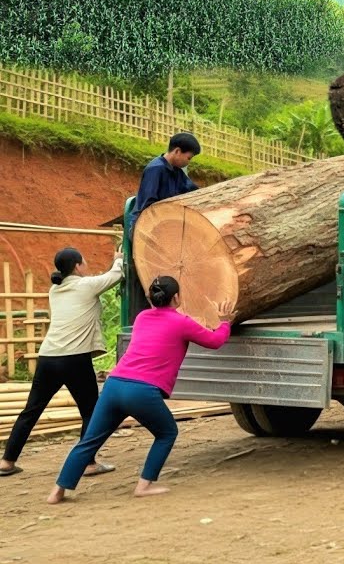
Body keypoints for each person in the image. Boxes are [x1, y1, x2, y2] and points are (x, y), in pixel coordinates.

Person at [47, 276, 231, 504]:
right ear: (176, 297)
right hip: (142, 391)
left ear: (150, 298)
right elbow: (214, 341)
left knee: (90, 440)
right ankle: (144, 486)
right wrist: (225, 321)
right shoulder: (182, 322)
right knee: (167, 433)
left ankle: (57, 491)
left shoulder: (142, 317)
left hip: (114, 385)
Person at [1, 248, 123, 478]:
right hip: (75, 359)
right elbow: (115, 276)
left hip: (48, 357)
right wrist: (118, 260)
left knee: (31, 410)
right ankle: (88, 463)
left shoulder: (55, 290)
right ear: (77, 266)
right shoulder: (85, 286)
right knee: (90, 411)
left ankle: (7, 461)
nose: (86, 265)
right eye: (84, 262)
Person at [127, 132, 201, 233]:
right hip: (144, 225)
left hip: (162, 221)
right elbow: (148, 205)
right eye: (189, 158)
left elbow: (193, 191)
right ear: (177, 151)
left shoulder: (176, 171)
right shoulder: (155, 169)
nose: (188, 162)